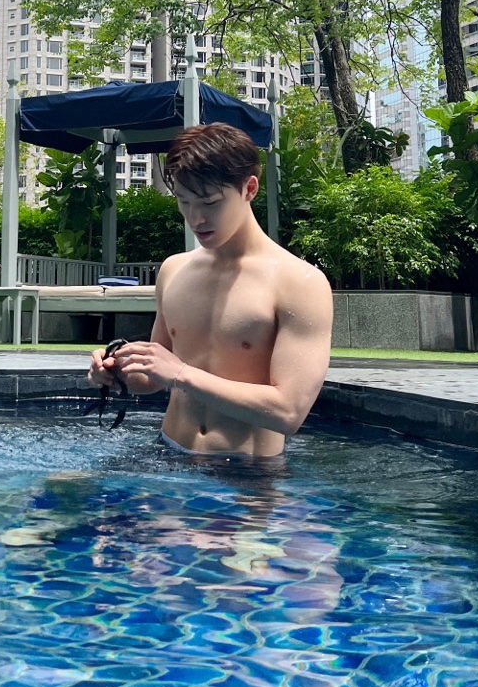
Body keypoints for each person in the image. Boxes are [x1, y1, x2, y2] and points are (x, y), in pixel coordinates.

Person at [87, 123, 332, 457]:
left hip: (248, 472)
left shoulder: (300, 283)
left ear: (249, 189)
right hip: (168, 455)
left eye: (210, 203)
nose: (195, 218)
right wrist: (116, 372)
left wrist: (181, 374)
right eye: (183, 201)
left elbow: (289, 412)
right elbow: (154, 379)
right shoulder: (174, 270)